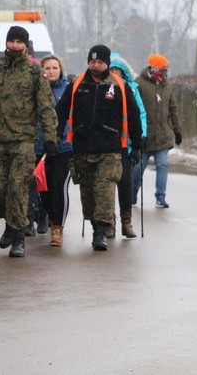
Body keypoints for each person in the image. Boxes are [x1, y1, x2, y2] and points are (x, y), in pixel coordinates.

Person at [0, 26, 58, 258]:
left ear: (26, 45)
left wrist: (50, 138)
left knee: (18, 189)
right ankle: (10, 223)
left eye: (19, 42)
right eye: (12, 41)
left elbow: (46, 108)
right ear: (6, 43)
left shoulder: (34, 72)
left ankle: (18, 237)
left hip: (23, 140)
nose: (15, 45)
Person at [55, 44, 142, 251]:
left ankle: (101, 232)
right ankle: (96, 224)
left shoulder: (119, 85)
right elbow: (60, 112)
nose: (96, 65)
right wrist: (55, 136)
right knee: (89, 195)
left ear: (107, 63)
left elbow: (134, 115)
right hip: (82, 148)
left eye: (100, 62)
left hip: (110, 149)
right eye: (93, 61)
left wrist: (137, 144)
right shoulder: (76, 84)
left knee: (105, 191)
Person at [133, 53, 182, 208]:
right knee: (138, 169)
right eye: (162, 69)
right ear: (153, 68)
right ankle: (132, 194)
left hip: (163, 136)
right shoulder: (139, 83)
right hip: (145, 137)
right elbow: (134, 109)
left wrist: (177, 130)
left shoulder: (167, 86)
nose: (165, 72)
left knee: (162, 165)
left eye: (166, 69)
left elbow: (173, 109)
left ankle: (160, 196)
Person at [108, 53, 147, 238]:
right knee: (106, 185)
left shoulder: (132, 89)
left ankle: (126, 221)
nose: (115, 73)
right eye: (111, 70)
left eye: (118, 70)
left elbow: (140, 114)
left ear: (123, 72)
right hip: (107, 143)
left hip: (127, 144)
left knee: (125, 183)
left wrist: (141, 137)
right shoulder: (102, 88)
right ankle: (109, 221)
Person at [38, 54, 73, 247]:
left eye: (54, 68)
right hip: (39, 146)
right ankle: (51, 215)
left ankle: (58, 227)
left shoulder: (68, 89)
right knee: (44, 190)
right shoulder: (36, 89)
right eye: (47, 68)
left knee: (59, 185)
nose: (51, 71)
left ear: (60, 70)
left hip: (64, 147)